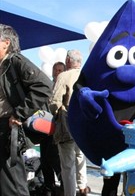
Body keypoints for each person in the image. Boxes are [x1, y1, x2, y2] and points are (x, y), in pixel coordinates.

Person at [0, 24, 53, 195]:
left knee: (13, 183)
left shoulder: (15, 61)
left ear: (6, 43)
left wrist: (19, 113)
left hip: (8, 128)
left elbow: (44, 86)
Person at [50, 50, 90, 196]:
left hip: (67, 123)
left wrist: (56, 114)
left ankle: (70, 193)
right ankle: (83, 187)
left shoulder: (63, 76)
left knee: (67, 164)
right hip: (85, 124)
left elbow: (54, 102)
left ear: (68, 60)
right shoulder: (87, 75)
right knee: (81, 156)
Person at [38, 62, 67, 196]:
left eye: (60, 70)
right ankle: (48, 187)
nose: (57, 72)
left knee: (55, 158)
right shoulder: (47, 85)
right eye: (55, 70)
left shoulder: (65, 86)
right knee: (44, 159)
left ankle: (63, 184)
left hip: (59, 128)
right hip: (45, 127)